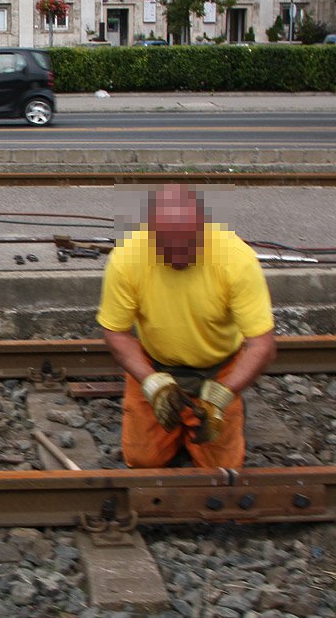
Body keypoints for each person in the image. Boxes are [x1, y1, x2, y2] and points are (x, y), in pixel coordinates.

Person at [96, 185, 277, 468]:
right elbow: (116, 333)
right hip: (156, 365)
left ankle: (205, 422)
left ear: (204, 230)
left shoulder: (236, 260)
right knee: (143, 460)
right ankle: (176, 423)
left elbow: (261, 344)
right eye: (168, 248)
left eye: (188, 246)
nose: (178, 257)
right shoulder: (127, 258)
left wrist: (224, 392)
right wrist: (151, 382)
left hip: (219, 371)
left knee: (220, 470)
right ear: (151, 235)